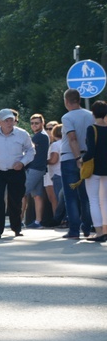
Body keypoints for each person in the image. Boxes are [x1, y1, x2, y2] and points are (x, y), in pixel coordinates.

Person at [0, 108, 35, 238]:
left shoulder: (22, 134)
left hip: (16, 171)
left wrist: (22, 163)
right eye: (6, 121)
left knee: (15, 200)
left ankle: (16, 228)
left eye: (12, 120)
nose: (10, 123)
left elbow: (31, 151)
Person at [60, 88, 95, 239]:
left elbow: (72, 138)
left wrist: (76, 159)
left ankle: (74, 230)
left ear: (66, 101)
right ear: (79, 100)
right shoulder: (90, 116)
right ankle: (87, 227)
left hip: (70, 158)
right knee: (86, 196)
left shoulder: (67, 117)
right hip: (88, 157)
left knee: (71, 196)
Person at [82, 101, 107, 242]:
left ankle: (98, 232)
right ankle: (106, 229)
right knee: (105, 201)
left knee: (93, 200)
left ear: (93, 113)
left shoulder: (92, 129)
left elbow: (90, 151)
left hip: (94, 169)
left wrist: (81, 159)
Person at [22, 113, 49, 228]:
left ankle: (18, 220)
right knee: (37, 195)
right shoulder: (43, 135)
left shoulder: (39, 136)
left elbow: (28, 151)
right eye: (32, 123)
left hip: (34, 168)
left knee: (21, 193)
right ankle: (38, 222)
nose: (34, 125)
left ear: (43, 123)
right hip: (40, 168)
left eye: (36, 123)